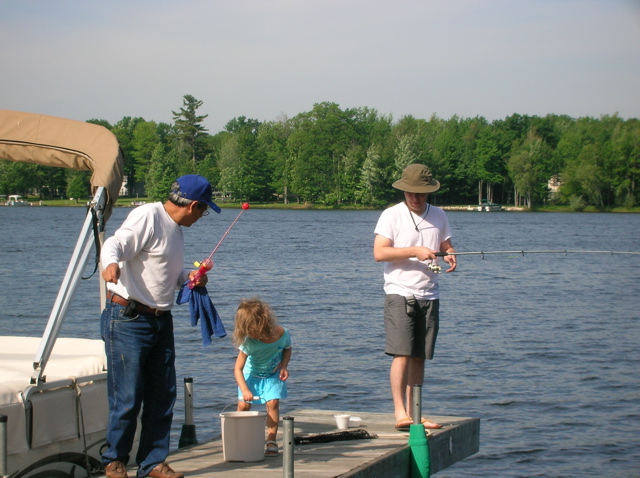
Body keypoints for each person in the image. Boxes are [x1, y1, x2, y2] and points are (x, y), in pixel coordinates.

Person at [100, 175, 221, 478]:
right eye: (204, 210)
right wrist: (110, 264)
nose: (203, 216)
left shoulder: (175, 229)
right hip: (128, 318)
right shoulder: (148, 216)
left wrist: (189, 279)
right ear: (193, 205)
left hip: (159, 319)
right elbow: (116, 242)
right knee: (127, 396)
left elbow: (165, 271)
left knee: (162, 394)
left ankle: (152, 463)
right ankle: (114, 461)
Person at [373, 163, 457, 430]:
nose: (415, 197)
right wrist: (414, 251)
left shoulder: (440, 215)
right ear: (404, 190)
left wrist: (450, 251)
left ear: (429, 192)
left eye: (420, 193)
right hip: (399, 293)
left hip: (430, 294)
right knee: (402, 354)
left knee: (419, 356)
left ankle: (416, 412)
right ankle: (400, 413)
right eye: (410, 192)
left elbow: (444, 243)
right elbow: (380, 253)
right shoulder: (391, 215)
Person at [232, 298, 292, 457]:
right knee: (244, 406)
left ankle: (271, 439)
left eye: (253, 331)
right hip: (250, 375)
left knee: (273, 403)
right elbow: (237, 369)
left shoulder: (282, 334)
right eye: (248, 332)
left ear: (263, 322)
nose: (252, 335)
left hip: (272, 375)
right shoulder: (249, 343)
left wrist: (284, 366)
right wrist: (244, 389)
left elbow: (287, 348)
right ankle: (239, 436)